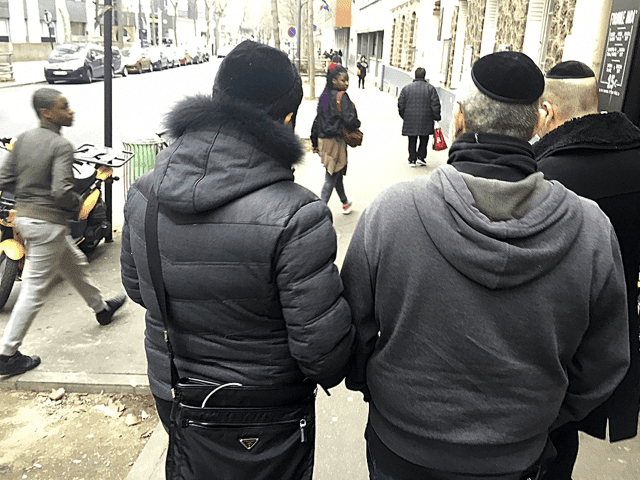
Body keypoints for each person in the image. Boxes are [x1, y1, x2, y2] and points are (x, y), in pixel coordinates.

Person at [341, 52, 630, 480]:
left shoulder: (391, 213)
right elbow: (605, 362)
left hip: (402, 446)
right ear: (536, 125)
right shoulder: (591, 230)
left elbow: (353, 331)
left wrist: (381, 390)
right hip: (519, 456)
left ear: (458, 121)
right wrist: (542, 417)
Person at [121, 41, 354, 439]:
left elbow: (137, 288)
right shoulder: (298, 215)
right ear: (287, 119)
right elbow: (324, 356)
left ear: (215, 100)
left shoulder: (144, 194)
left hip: (176, 391)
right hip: (262, 412)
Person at [533, 60, 640, 480]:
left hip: (549, 339)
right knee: (566, 442)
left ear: (547, 111)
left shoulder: (543, 175)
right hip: (612, 335)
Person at [0, 88, 126, 376]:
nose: (71, 112)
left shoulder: (24, 140)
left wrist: (29, 194)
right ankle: (7, 353)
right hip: (48, 225)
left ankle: (101, 309)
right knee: (33, 289)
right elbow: (61, 191)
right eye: (64, 107)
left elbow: (5, 178)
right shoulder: (61, 146)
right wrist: (76, 201)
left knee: (75, 265)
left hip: (27, 220)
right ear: (47, 113)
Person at [310, 63, 360, 215]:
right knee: (331, 176)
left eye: (347, 80)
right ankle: (320, 210)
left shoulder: (324, 96)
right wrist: (357, 123)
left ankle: (345, 202)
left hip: (323, 141)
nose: (346, 83)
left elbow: (317, 120)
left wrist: (314, 141)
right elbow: (350, 120)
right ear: (334, 81)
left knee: (335, 172)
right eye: (343, 80)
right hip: (336, 142)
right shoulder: (341, 97)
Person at [398, 67, 441, 167]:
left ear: (415, 75)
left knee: (412, 138)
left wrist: (405, 116)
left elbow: (401, 104)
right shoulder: (430, 89)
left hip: (410, 118)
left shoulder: (406, 88)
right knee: (424, 138)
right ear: (424, 75)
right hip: (426, 118)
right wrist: (437, 117)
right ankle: (421, 157)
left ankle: (412, 159)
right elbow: (435, 104)